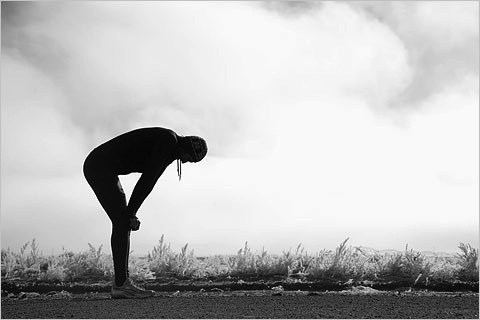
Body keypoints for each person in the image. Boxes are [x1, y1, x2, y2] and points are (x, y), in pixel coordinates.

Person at [83, 127, 207, 299]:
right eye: (189, 159)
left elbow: (150, 180)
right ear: (187, 149)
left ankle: (121, 283)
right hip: (98, 166)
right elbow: (147, 180)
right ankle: (121, 285)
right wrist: (131, 213)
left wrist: (131, 213)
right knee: (122, 221)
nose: (185, 162)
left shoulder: (171, 147)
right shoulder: (168, 141)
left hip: (102, 167)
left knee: (123, 221)